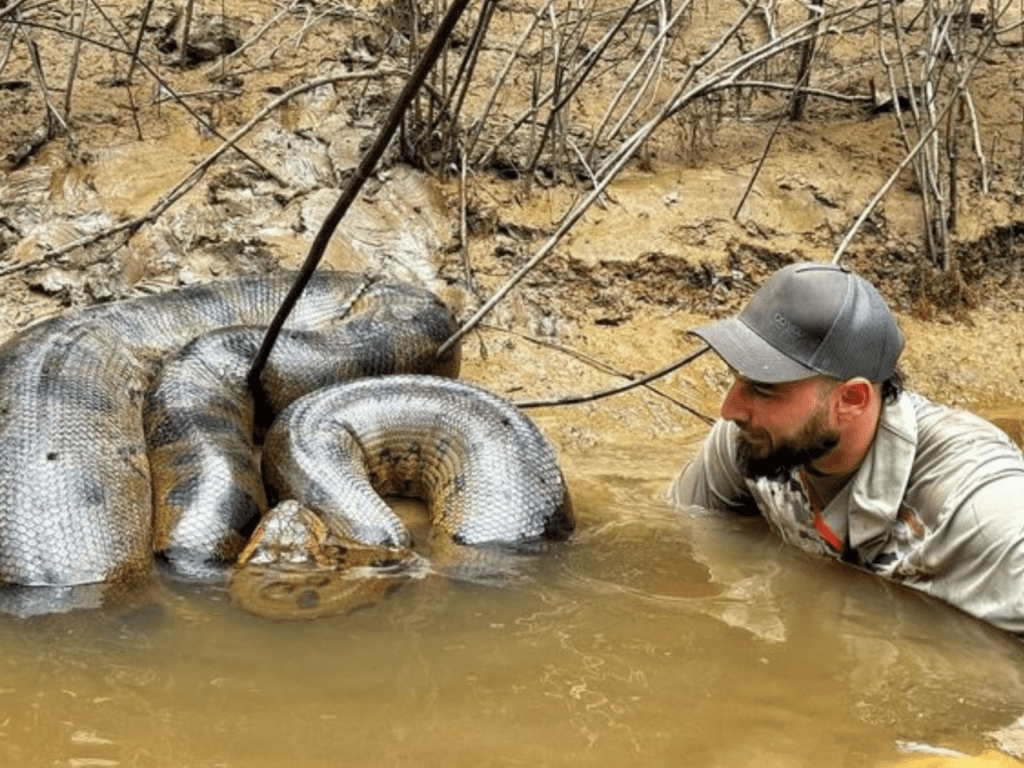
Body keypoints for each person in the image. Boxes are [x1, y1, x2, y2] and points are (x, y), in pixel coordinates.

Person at [669, 261, 1024, 634]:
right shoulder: (755, 440)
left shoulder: (978, 506)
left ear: (851, 399)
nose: (729, 410)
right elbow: (673, 544)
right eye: (737, 380)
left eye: (762, 389)